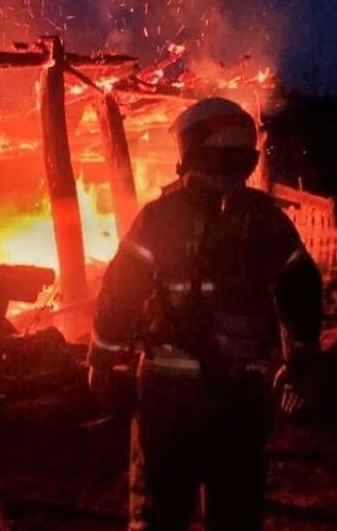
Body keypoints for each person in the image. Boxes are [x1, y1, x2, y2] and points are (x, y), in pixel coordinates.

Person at [87, 97, 323, 531]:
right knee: (235, 512)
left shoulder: (160, 217)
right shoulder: (267, 220)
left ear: (190, 149)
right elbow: (303, 292)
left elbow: (121, 290)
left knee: (159, 513)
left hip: (168, 397)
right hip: (242, 397)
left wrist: (103, 357)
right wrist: (299, 362)